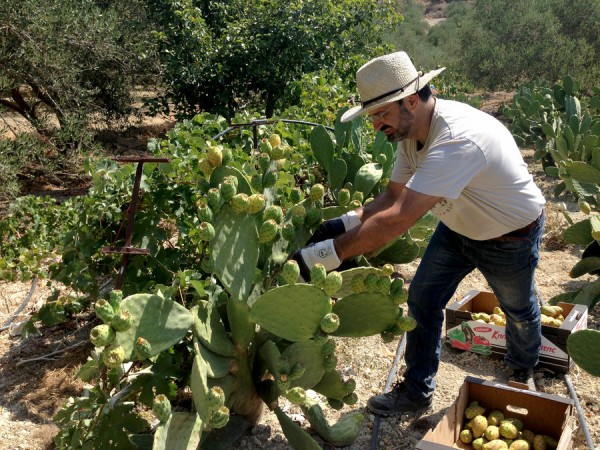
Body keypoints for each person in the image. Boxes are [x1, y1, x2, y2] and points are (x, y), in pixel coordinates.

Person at [293, 51, 546, 416]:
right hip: (457, 228)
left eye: (382, 113)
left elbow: (397, 219)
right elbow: (392, 196)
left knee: (518, 309)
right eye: (372, 116)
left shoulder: (457, 139)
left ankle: (523, 364)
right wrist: (342, 223)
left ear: (411, 100)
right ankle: (416, 392)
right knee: (423, 301)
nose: (376, 125)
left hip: (509, 235)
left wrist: (321, 256)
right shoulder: (410, 132)